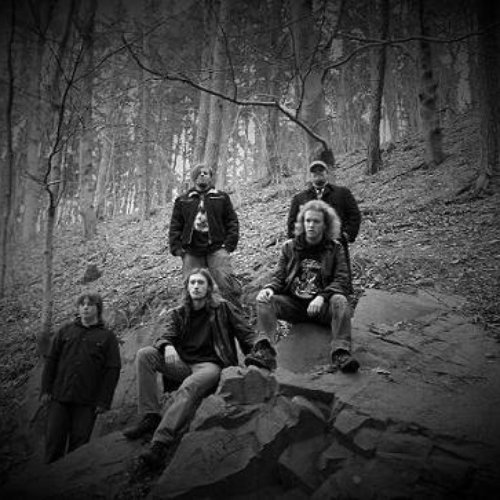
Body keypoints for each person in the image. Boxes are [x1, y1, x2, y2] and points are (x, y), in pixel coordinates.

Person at [123, 268, 258, 468]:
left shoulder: (223, 308)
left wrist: (257, 353)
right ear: (187, 287)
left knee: (189, 386)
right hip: (183, 364)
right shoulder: (179, 312)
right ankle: (150, 416)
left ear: (209, 287)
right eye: (192, 282)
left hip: (211, 365)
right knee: (145, 355)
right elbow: (166, 334)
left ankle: (160, 443)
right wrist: (167, 346)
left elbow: (245, 332)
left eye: (200, 282)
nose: (196, 286)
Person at [248, 199, 359, 374]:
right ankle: (264, 351)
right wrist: (270, 288)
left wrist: (322, 296)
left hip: (323, 308)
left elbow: (342, 280)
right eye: (308, 220)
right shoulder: (290, 247)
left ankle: (341, 353)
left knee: (340, 300)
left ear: (325, 225)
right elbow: (279, 277)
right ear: (302, 222)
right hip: (295, 306)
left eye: (316, 221)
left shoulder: (335, 249)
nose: (311, 225)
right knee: (264, 299)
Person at [40, 293, 121, 463]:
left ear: (98, 308)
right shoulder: (65, 331)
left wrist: (104, 401)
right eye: (82, 304)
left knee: (78, 449)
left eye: (90, 304)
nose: (85, 307)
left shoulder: (107, 337)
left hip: (87, 402)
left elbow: (112, 371)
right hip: (59, 397)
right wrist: (46, 389)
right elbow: (51, 361)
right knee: (53, 445)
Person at [169, 164, 241, 305]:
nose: (202, 175)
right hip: (191, 250)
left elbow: (232, 221)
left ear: (210, 177)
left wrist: (228, 245)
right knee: (191, 287)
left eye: (205, 173)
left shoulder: (221, 197)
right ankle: (190, 316)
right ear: (194, 178)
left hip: (217, 248)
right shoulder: (183, 200)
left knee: (225, 283)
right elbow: (175, 225)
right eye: (199, 173)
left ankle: (235, 313)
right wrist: (177, 248)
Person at [286, 156, 361, 293]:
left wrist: (346, 235)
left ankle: (340, 296)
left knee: (339, 274)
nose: (317, 174)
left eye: (321, 171)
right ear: (310, 176)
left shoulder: (342, 193)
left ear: (327, 173)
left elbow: (354, 216)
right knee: (310, 276)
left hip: (335, 243)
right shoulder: (299, 198)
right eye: (314, 172)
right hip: (309, 246)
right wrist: (298, 242)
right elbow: (292, 223)